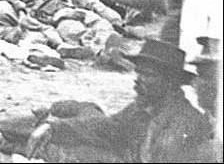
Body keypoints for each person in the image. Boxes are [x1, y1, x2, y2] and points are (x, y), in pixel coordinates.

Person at [18, 39, 210, 162]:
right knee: (43, 141)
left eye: (147, 75)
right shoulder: (145, 106)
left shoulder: (183, 123)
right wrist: (55, 127)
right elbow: (109, 127)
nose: (138, 80)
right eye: (138, 72)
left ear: (170, 83)